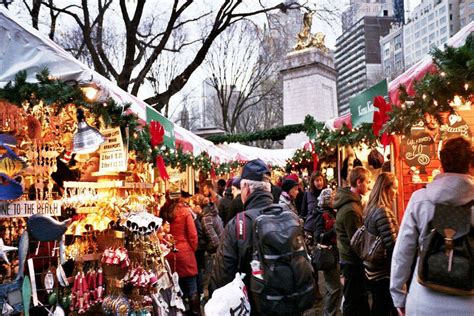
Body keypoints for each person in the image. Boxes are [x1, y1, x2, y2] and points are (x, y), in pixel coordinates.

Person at [390, 137, 474, 316]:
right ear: (470, 164)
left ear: (442, 164)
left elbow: (402, 252)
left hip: (423, 300)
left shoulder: (420, 199)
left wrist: (398, 296)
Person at [210, 159, 302, 315]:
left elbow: (221, 280)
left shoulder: (237, 225)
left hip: (254, 309)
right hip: (289, 307)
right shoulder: (290, 217)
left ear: (246, 188)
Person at [334, 166, 371, 316]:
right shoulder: (351, 209)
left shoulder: (352, 204)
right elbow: (357, 241)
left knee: (358, 298)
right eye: (367, 182)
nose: (369, 186)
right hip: (352, 261)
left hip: (349, 259)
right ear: (359, 182)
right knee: (353, 299)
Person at [363, 172, 399, 316]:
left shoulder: (371, 208)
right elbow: (393, 246)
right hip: (382, 272)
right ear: (385, 188)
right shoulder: (382, 211)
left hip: (372, 270)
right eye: (394, 188)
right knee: (383, 308)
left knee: (379, 306)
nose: (396, 192)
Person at [161, 199, 200, 315]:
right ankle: (195, 312)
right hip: (185, 254)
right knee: (192, 288)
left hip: (169, 253)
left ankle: (179, 312)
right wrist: (192, 249)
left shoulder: (164, 211)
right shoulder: (185, 212)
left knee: (176, 288)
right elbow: (193, 235)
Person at [314, 188, 342, 316]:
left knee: (333, 288)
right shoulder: (321, 215)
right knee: (334, 288)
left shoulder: (332, 212)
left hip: (334, 253)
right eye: (333, 198)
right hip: (328, 254)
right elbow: (318, 236)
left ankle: (330, 312)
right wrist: (334, 230)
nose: (335, 200)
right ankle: (329, 313)